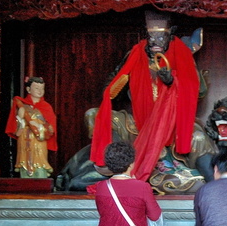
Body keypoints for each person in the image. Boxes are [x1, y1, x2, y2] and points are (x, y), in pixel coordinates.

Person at [90, 10, 215, 184]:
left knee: (198, 138)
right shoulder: (135, 55)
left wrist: (173, 82)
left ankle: (211, 180)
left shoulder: (181, 53)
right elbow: (111, 86)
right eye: (151, 37)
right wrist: (116, 86)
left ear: (170, 35)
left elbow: (199, 90)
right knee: (94, 115)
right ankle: (112, 167)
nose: (155, 41)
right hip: (140, 119)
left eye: (160, 37)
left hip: (172, 120)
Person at [5, 76, 57, 178]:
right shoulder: (22, 105)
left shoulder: (46, 107)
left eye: (42, 88)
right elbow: (16, 131)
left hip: (38, 141)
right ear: (28, 89)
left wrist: (38, 126)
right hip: (24, 140)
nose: (40, 91)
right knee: (24, 166)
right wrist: (20, 119)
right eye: (36, 88)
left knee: (40, 166)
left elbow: (51, 129)